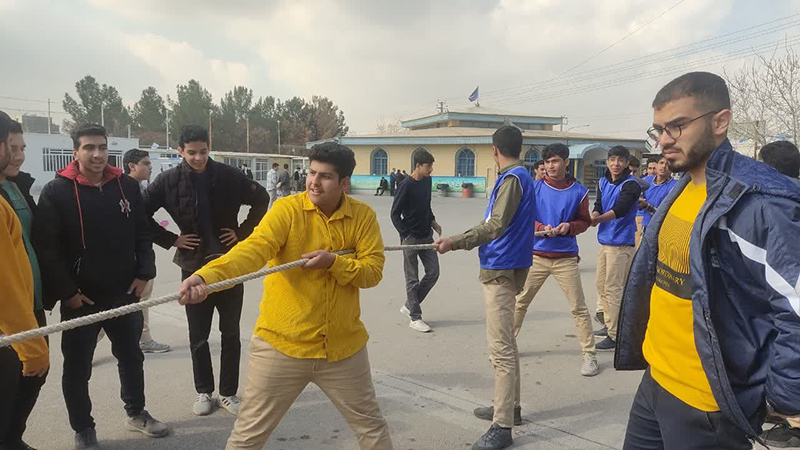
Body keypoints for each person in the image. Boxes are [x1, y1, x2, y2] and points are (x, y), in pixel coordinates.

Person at [617, 72, 800, 450]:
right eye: (659, 130)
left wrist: (783, 396)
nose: (664, 140)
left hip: (708, 404)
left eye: (677, 126)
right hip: (656, 380)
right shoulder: (683, 187)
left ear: (720, 121)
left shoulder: (759, 202)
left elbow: (795, 306)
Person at [179, 142, 393, 450]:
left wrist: (334, 263)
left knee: (372, 428)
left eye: (325, 176)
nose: (314, 182)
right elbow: (251, 251)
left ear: (344, 183)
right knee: (247, 437)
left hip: (342, 349)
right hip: (281, 346)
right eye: (312, 173)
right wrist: (205, 277)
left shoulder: (363, 216)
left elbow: (372, 272)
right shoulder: (286, 210)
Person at [35, 124, 167, 449]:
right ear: (75, 152)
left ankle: (136, 413)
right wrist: (68, 292)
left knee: (131, 357)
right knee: (77, 368)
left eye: (102, 147)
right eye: (89, 148)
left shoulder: (126, 186)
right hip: (81, 298)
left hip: (125, 292)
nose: (97, 154)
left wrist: (144, 272)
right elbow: (47, 250)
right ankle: (83, 428)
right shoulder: (57, 191)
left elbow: (143, 233)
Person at [145, 125, 268, 418]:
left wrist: (242, 233)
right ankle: (204, 391)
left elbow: (262, 199)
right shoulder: (168, 181)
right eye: (191, 153)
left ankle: (227, 393)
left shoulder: (229, 175)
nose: (198, 158)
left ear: (209, 148)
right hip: (193, 266)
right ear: (180, 151)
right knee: (198, 334)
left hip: (229, 264)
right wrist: (171, 239)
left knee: (230, 332)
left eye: (203, 151)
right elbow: (140, 212)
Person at [435, 126, 535, 450]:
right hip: (507, 264)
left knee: (500, 349)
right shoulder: (519, 177)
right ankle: (510, 407)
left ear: (494, 150)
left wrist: (455, 241)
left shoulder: (512, 179)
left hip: (501, 267)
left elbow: (495, 225)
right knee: (507, 343)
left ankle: (502, 426)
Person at [512, 143, 598, 377]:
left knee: (579, 308)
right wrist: (541, 228)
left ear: (566, 162)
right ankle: (507, 346)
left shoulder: (579, 192)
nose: (550, 166)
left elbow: (585, 222)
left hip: (565, 258)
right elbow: (523, 218)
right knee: (520, 302)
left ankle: (589, 355)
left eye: (555, 161)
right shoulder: (534, 187)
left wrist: (569, 227)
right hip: (536, 256)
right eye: (547, 162)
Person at [0, 112, 49, 450]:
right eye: (10, 146)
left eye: (22, 147)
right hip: (11, 324)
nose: (17, 154)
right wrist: (30, 344)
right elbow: (4, 282)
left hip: (28, 306)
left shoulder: (14, 187)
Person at [590, 145, 642, 351]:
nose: (616, 164)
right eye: (612, 159)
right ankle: (609, 324)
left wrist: (597, 220)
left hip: (620, 244)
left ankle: (616, 334)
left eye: (620, 160)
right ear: (607, 161)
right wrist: (595, 214)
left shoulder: (631, 185)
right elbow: (599, 204)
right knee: (601, 285)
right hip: (605, 242)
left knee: (613, 288)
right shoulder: (603, 182)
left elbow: (620, 209)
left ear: (627, 163)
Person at [122, 149, 170, 354]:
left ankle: (144, 338)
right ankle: (87, 345)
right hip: (133, 258)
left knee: (139, 301)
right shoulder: (124, 190)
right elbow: (144, 225)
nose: (150, 167)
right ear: (132, 166)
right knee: (127, 304)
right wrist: (173, 239)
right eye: (146, 163)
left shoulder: (137, 189)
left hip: (141, 255)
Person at [391, 150, 441, 333]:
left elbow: (426, 205)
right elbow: (394, 214)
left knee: (433, 272)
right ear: (418, 166)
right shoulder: (405, 185)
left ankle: (409, 305)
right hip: (410, 238)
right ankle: (415, 318)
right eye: (428, 166)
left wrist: (433, 221)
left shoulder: (427, 181)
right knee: (412, 279)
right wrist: (405, 234)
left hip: (426, 235)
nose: (431, 169)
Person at [638, 155, 677, 233]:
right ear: (657, 165)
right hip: (646, 226)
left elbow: (665, 214)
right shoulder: (646, 181)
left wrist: (646, 206)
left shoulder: (675, 186)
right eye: (661, 163)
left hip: (662, 229)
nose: (664, 166)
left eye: (668, 164)